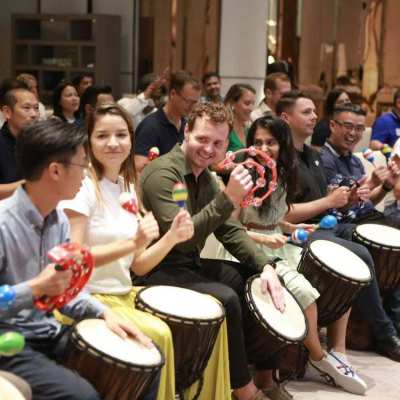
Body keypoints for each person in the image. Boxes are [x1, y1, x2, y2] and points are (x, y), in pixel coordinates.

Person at [60, 103, 230, 400]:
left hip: (124, 291)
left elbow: (138, 266)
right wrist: (132, 242)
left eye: (121, 135)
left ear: (131, 140)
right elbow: (74, 259)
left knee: (215, 317)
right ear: (89, 141)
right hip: (88, 297)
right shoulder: (82, 188)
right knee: (161, 335)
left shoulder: (126, 187)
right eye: (102, 136)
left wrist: (171, 237)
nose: (113, 143)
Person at [0, 119, 156, 400]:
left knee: (144, 359)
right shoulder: (3, 224)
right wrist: (35, 288)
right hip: (8, 342)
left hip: (48, 331)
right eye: (82, 165)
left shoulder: (57, 219)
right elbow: (38, 290)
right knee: (82, 396)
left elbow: (68, 290)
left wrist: (102, 312)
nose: (86, 174)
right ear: (56, 171)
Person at [140, 101, 286, 400]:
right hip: (155, 269)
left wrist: (265, 266)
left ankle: (263, 372)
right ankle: (242, 388)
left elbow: (229, 230)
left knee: (256, 280)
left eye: (218, 143)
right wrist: (228, 198)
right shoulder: (163, 173)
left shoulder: (205, 176)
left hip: (185, 266)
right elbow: (182, 239)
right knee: (228, 297)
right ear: (186, 132)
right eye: (202, 139)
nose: (209, 149)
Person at [216, 116, 367, 395]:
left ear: (282, 144)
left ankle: (336, 351)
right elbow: (230, 227)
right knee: (303, 293)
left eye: (270, 142)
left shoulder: (282, 173)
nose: (264, 147)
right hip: (248, 248)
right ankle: (318, 356)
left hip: (278, 243)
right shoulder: (243, 176)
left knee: (337, 281)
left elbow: (274, 214)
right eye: (258, 141)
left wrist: (290, 226)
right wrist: (263, 236)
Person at [276, 91, 400, 361]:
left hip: (328, 224)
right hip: (303, 231)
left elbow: (334, 203)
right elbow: (282, 214)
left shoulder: (314, 155)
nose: (314, 116)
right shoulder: (288, 158)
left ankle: (373, 334)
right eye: (307, 112)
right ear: (286, 118)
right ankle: (384, 332)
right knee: (361, 252)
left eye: (314, 111)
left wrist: (351, 197)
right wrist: (333, 201)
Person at [320, 104, 398, 223]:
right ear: (332, 125)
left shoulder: (355, 161)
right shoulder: (323, 159)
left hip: (369, 218)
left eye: (359, 128)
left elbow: (363, 203)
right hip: (346, 226)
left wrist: (386, 186)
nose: (353, 133)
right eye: (348, 126)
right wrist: (371, 183)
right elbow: (338, 208)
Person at [134, 70, 201, 174]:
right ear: (173, 94)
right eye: (188, 101)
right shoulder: (150, 126)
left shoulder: (186, 125)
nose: (192, 107)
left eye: (195, 103)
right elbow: (139, 168)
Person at [0, 85, 40, 199]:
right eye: (26, 108)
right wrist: (30, 185)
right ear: (7, 112)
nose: (34, 114)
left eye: (36, 108)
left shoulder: (40, 142)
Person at [224, 83, 256, 152]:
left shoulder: (248, 129)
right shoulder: (225, 129)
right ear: (233, 103)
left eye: (253, 104)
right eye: (247, 103)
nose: (251, 109)